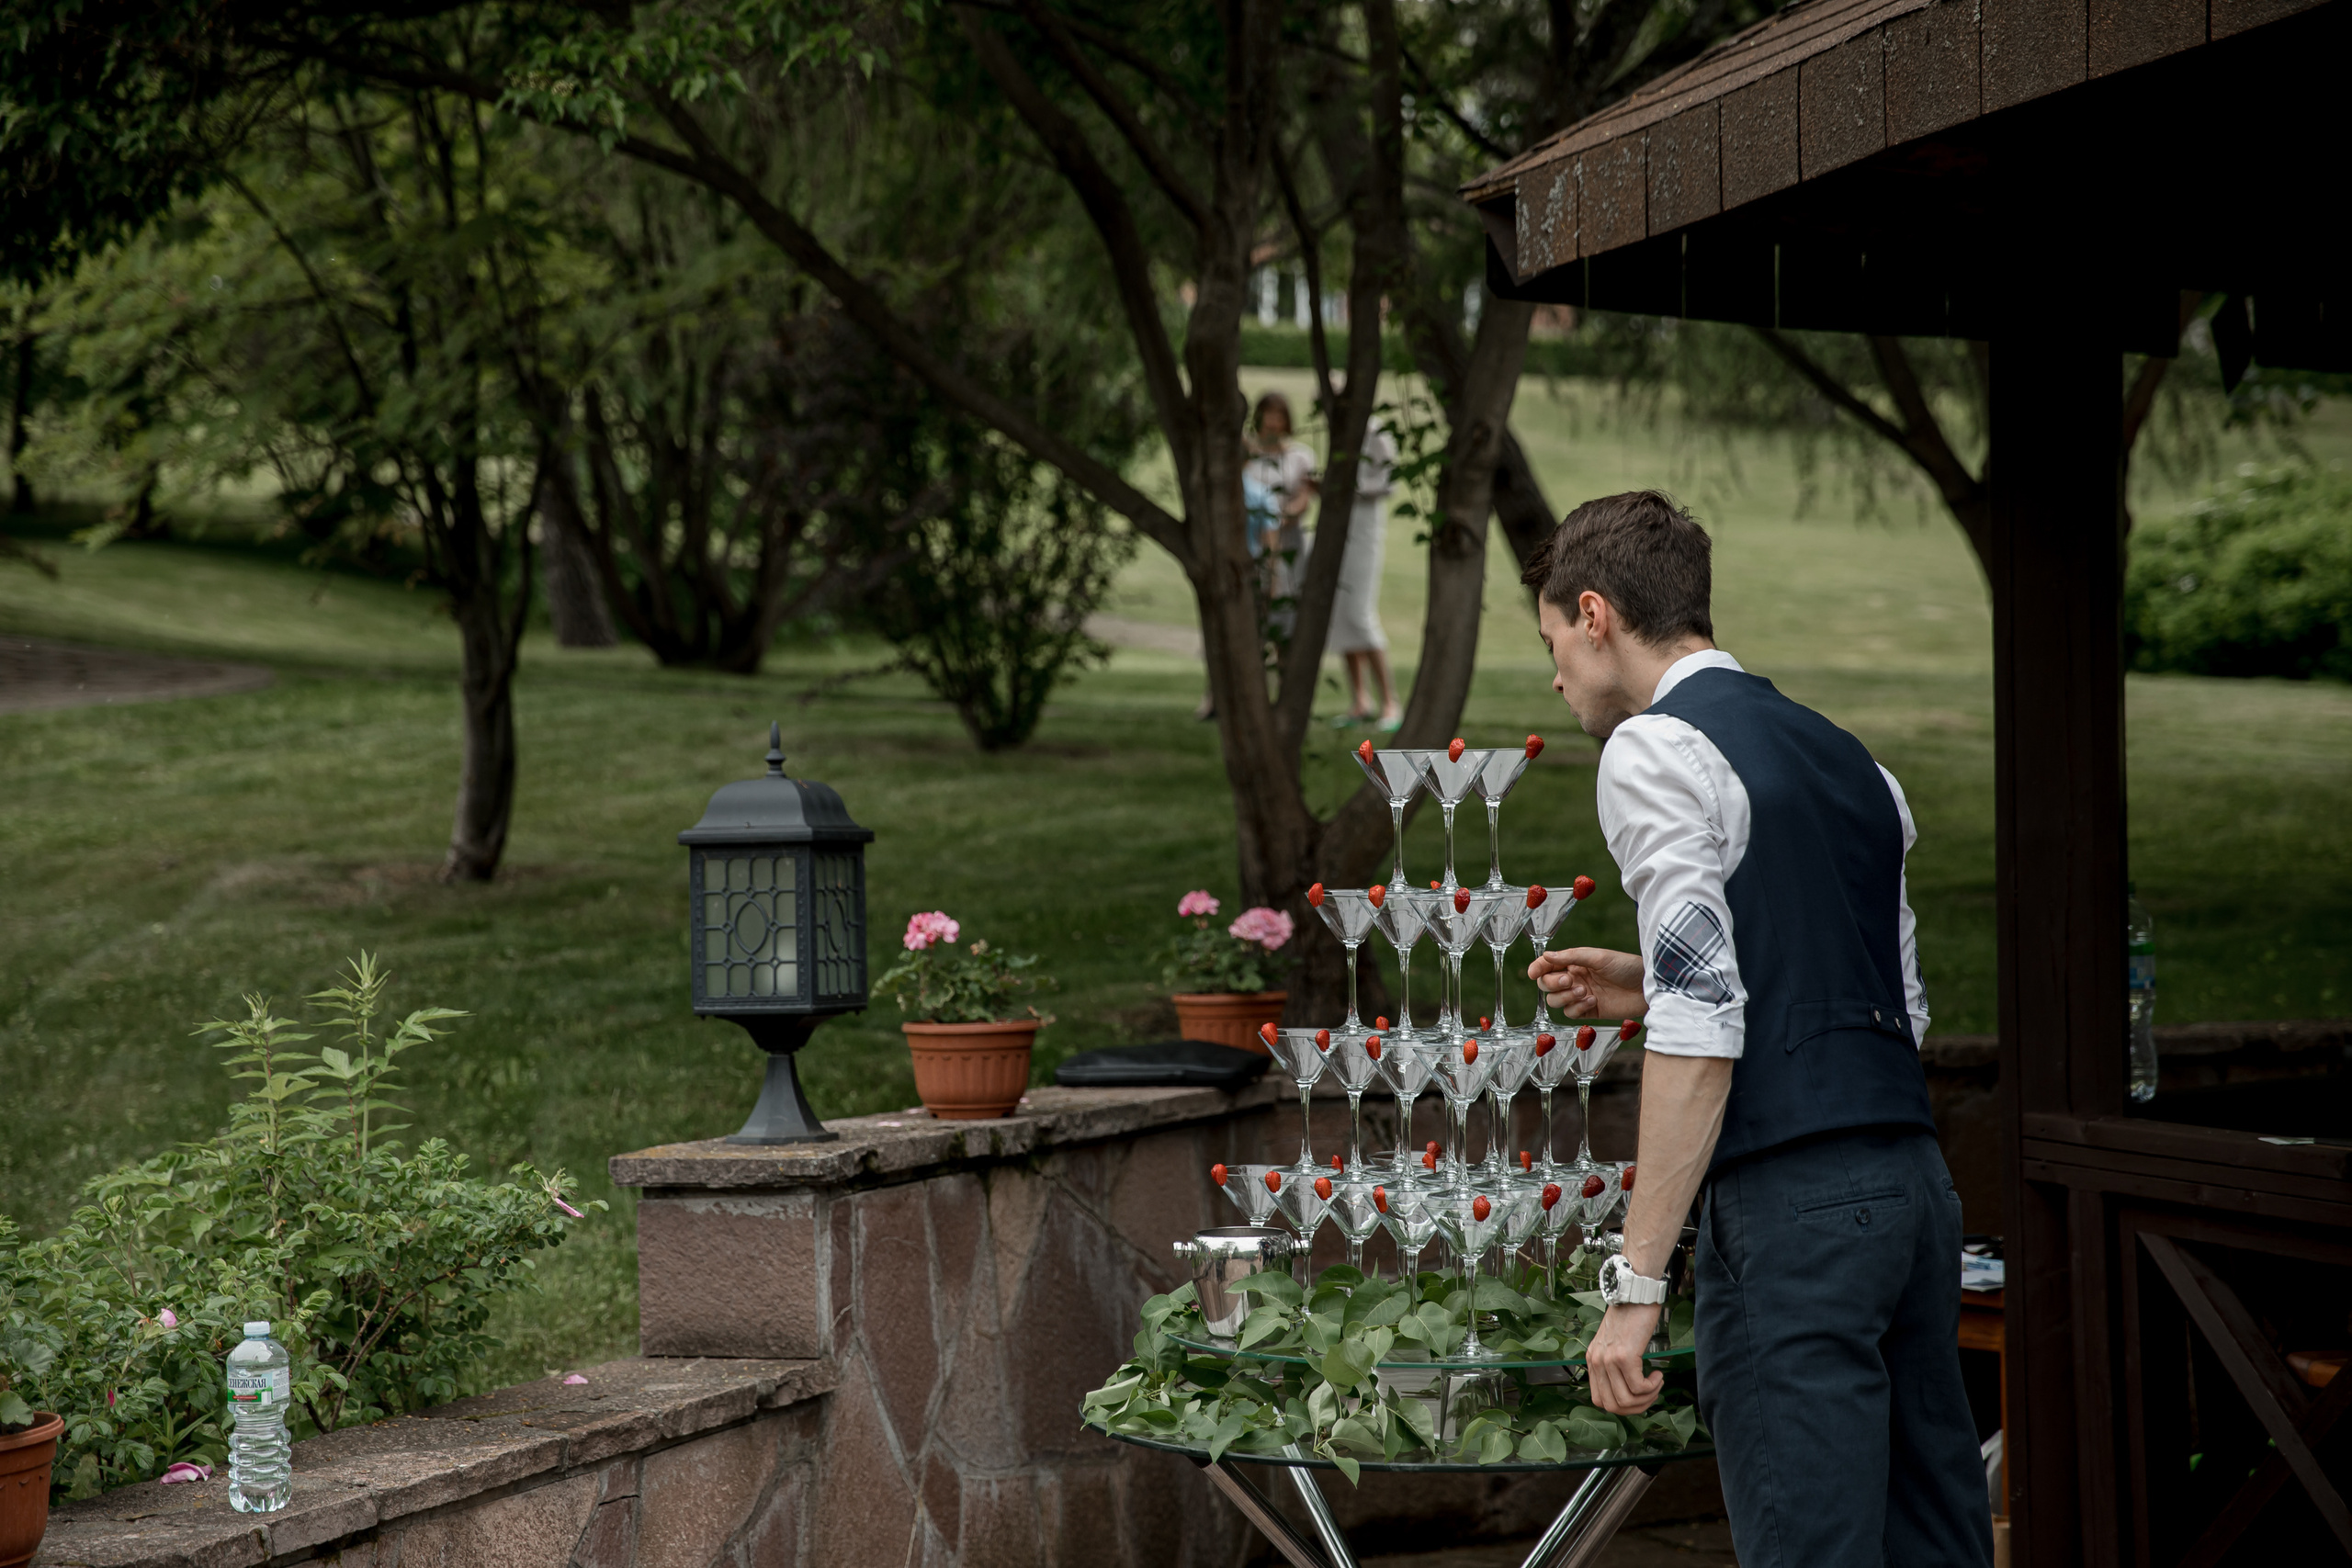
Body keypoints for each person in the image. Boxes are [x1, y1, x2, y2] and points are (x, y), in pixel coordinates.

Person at [1522, 491, 1993, 1568]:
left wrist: (1635, 1291)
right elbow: (1886, 1001)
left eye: (1552, 643)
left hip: (1792, 1213)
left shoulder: (1654, 752)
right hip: (1916, 1194)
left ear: (1594, 614)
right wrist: (1649, 980)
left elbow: (1703, 1025)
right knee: (1937, 1545)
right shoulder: (1853, 760)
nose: (1554, 676)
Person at [1326, 416, 1401, 729]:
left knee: (1359, 614)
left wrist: (1348, 488)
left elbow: (1389, 481)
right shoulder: (1338, 430)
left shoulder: (1375, 430)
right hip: (1337, 529)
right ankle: (1360, 699)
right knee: (1342, 614)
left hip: (1365, 529)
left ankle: (1390, 702)